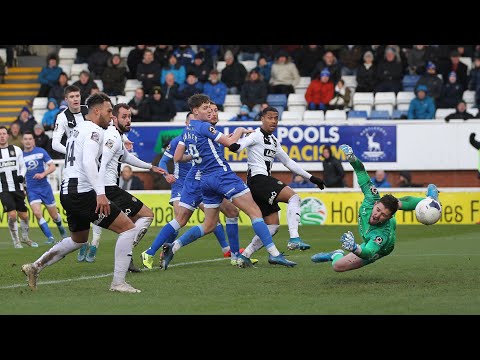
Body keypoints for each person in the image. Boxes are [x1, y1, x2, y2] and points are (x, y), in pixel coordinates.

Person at [157, 94, 296, 269]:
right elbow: (231, 143)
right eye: (205, 108)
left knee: (209, 225)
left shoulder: (187, 131)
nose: (209, 111)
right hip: (221, 175)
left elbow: (177, 157)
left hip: (205, 180)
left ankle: (173, 247)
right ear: (195, 111)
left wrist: (199, 156)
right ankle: (274, 254)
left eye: (210, 108)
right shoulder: (205, 127)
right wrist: (240, 130)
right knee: (255, 212)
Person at [21, 93, 142, 293]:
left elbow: (91, 154)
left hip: (68, 191)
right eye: (109, 111)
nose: (111, 116)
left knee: (79, 239)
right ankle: (118, 283)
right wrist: (100, 193)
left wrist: (121, 145)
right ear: (96, 111)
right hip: (82, 192)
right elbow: (88, 162)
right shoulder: (94, 131)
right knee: (128, 228)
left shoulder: (78, 130)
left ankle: (35, 267)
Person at [142, 105, 256, 268]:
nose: (212, 113)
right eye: (208, 110)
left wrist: (196, 156)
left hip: (200, 180)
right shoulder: (195, 132)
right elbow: (175, 158)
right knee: (194, 219)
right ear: (194, 116)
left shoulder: (202, 132)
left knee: (225, 214)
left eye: (214, 110)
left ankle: (231, 253)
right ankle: (154, 251)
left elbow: (181, 156)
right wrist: (240, 130)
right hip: (196, 181)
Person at [310, 144, 440, 271]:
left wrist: (355, 248)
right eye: (378, 210)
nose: (377, 215)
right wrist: (352, 159)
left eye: (383, 215)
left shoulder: (381, 235)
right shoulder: (372, 198)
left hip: (382, 248)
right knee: (396, 203)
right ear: (376, 204)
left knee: (338, 267)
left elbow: (368, 252)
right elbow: (361, 171)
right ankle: (429, 199)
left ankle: (431, 201)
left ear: (389, 217)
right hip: (378, 223)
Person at [78, 103, 165, 272]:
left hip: (106, 188)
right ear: (114, 119)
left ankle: (124, 258)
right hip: (108, 188)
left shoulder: (115, 136)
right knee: (147, 215)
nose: (128, 120)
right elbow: (101, 164)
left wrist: (150, 167)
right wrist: (100, 192)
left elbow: (126, 157)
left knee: (131, 224)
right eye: (124, 117)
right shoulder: (112, 137)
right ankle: (126, 255)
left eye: (130, 117)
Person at [228, 106, 325, 256]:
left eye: (276, 118)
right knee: (294, 197)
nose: (273, 121)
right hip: (258, 180)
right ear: (262, 119)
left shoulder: (274, 141)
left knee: (272, 226)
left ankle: (245, 255)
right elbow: (235, 148)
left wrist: (311, 178)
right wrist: (238, 132)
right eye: (270, 118)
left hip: (259, 184)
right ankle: (294, 238)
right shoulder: (255, 135)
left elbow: (288, 162)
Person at [22, 131, 67, 244]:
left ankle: (61, 229)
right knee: (37, 213)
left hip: (44, 188)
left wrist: (42, 174)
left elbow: (52, 167)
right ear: (23, 141)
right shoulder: (21, 156)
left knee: (54, 216)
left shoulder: (41, 152)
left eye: (30, 139)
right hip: (31, 189)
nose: (28, 141)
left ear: (33, 141)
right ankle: (50, 238)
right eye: (25, 139)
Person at [0, 126, 37, 249]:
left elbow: (23, 166)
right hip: (4, 189)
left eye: (4, 133)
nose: (2, 136)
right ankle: (16, 241)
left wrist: (21, 176)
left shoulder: (16, 150)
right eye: (0, 134)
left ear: (8, 135)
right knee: (12, 215)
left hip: (17, 188)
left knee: (24, 216)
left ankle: (25, 237)